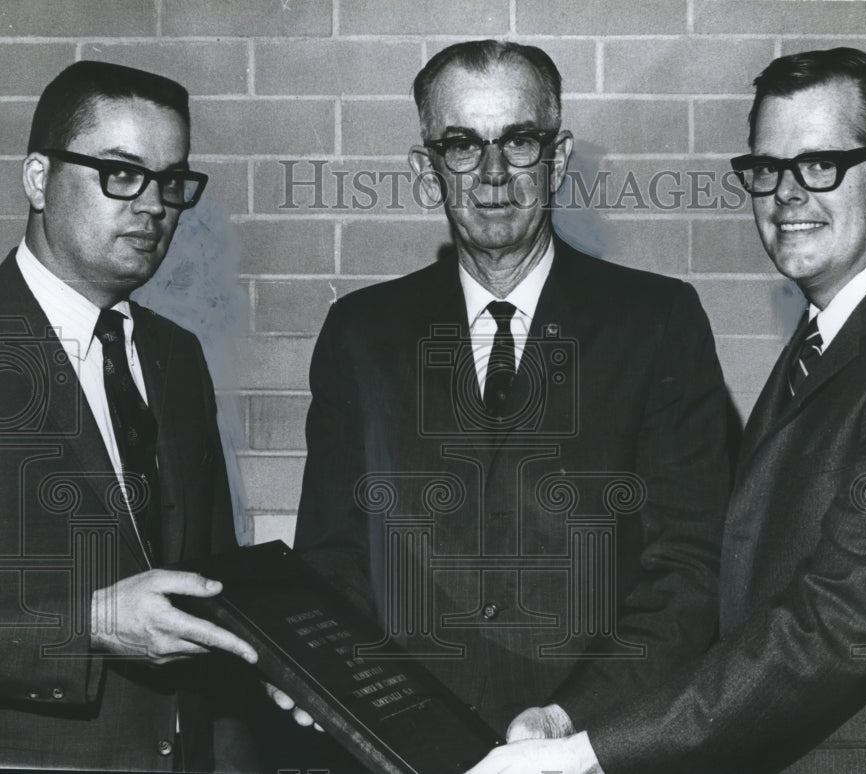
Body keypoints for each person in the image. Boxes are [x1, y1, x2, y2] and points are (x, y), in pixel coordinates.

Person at [467, 47, 866, 774]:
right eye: (766, 169)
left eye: (820, 165)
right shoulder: (833, 336)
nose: (786, 195)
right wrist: (572, 716)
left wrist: (588, 755)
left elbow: (839, 626)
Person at [289, 39, 731, 742]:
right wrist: (332, 681)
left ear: (556, 159)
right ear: (428, 170)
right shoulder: (360, 332)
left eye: (520, 141)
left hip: (595, 742)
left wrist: (571, 718)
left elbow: (691, 567)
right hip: (406, 743)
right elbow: (332, 556)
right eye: (462, 145)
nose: (493, 174)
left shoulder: (656, 322)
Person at [0, 60, 258, 771]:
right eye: (120, 173)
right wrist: (89, 625)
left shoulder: (176, 357)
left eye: (170, 181)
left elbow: (213, 601)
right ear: (37, 180)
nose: (153, 205)